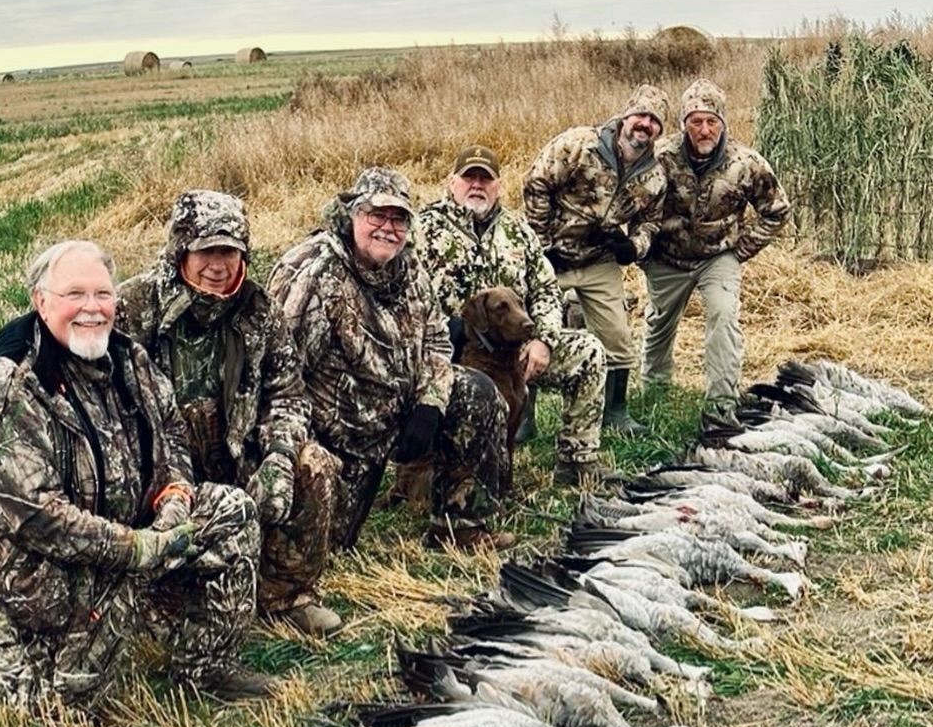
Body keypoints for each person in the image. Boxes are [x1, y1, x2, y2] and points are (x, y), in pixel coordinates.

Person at [0, 239, 264, 711]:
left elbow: (173, 443)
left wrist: (174, 503)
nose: (92, 309)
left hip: (131, 538)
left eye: (102, 295)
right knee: (65, 711)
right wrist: (136, 547)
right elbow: (41, 518)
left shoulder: (130, 361)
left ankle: (205, 667)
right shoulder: (8, 384)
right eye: (74, 295)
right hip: (44, 568)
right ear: (41, 302)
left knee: (232, 510)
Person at [117, 189, 342, 638]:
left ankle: (285, 596)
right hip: (158, 470)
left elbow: (288, 394)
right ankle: (157, 593)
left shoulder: (260, 310)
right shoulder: (134, 306)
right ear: (181, 250)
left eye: (230, 252)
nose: (218, 266)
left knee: (312, 463)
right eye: (206, 251)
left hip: (237, 458)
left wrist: (278, 456)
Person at [267, 167, 507, 565]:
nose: (387, 228)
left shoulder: (409, 268)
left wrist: (430, 404)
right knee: (331, 549)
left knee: (477, 392)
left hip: (397, 413)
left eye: (399, 219)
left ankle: (461, 526)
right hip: (338, 437)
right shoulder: (312, 271)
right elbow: (280, 376)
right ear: (353, 215)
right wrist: (304, 452)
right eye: (376, 215)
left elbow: (436, 339)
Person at [418, 145, 606, 489]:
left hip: (517, 350)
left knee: (588, 351)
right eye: (469, 177)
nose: (477, 185)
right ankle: (451, 470)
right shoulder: (423, 230)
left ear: (498, 186)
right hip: (455, 354)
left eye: (485, 179)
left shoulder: (518, 231)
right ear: (451, 182)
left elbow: (547, 291)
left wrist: (543, 339)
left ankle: (578, 461)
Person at [522, 84, 670, 435]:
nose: (644, 125)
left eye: (653, 120)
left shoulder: (655, 175)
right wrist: (542, 247)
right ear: (625, 115)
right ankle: (523, 415)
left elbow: (651, 222)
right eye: (640, 115)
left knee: (617, 335)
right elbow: (536, 183)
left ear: (660, 130)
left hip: (599, 260)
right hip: (552, 256)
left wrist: (632, 247)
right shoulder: (579, 144)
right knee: (529, 328)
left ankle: (615, 412)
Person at [643, 80, 790, 425]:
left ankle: (721, 404)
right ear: (684, 123)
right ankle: (653, 390)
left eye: (712, 121)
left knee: (723, 317)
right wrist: (644, 253)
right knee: (659, 322)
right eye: (696, 121)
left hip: (718, 257)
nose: (704, 129)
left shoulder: (746, 163)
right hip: (667, 256)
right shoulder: (660, 157)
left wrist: (740, 251)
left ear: (723, 123)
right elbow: (635, 205)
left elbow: (777, 210)